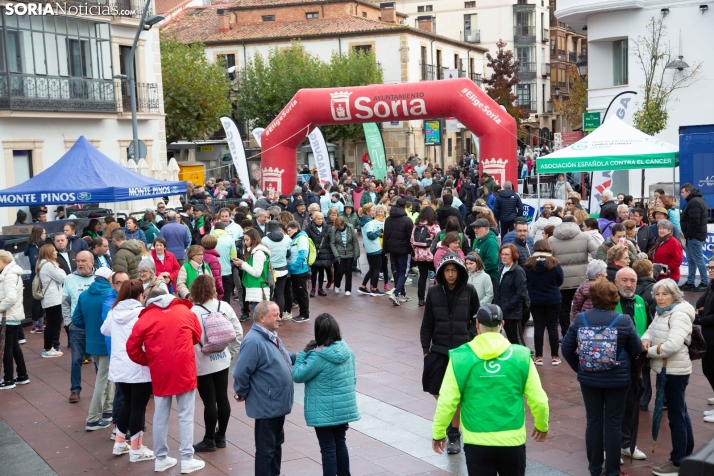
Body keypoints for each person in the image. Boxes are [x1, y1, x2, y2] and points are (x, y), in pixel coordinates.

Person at [431, 303, 549, 475]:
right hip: (512, 439)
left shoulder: (460, 356)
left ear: (477, 324)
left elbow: (447, 401)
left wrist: (438, 432)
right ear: (502, 325)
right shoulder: (521, 355)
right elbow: (538, 399)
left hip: (477, 440)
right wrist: (541, 425)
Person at [561, 278, 643, 476]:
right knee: (614, 423)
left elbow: (565, 348)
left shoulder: (581, 319)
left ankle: (594, 469)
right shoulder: (623, 320)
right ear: (614, 297)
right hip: (618, 379)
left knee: (594, 421)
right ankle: (613, 471)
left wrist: (580, 367)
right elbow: (637, 349)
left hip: (589, 379)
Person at [126, 288, 204, 474]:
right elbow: (196, 336)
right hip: (184, 367)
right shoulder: (185, 311)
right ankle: (187, 458)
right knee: (186, 415)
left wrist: (149, 360)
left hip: (160, 369)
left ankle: (160, 458)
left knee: (160, 415)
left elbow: (132, 348)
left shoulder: (145, 317)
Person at [421, 252, 480, 453]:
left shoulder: (470, 291)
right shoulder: (434, 292)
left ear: (460, 271)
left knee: (456, 396)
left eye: (454, 270)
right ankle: (450, 419)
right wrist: (425, 350)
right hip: (438, 349)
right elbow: (427, 323)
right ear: (441, 272)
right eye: (447, 270)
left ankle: (454, 435)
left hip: (462, 351)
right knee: (435, 389)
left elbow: (476, 319)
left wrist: (469, 335)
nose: (451, 274)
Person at [233, 301, 296, 476]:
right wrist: (242, 392)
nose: (279, 317)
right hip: (267, 404)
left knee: (275, 446)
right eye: (275, 314)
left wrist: (296, 356)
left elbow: (280, 358)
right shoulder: (254, 341)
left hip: (276, 403)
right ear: (261, 318)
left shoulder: (271, 335)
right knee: (266, 450)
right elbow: (241, 372)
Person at [292, 314, 360, 476]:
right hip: (344, 409)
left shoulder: (317, 356)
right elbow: (353, 379)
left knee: (328, 449)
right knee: (340, 444)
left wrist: (303, 354)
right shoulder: (347, 351)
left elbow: (298, 375)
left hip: (323, 412)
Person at [641, 279, 696, 475]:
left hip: (674, 371)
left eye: (665, 294)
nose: (660, 298)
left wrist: (650, 352)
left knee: (676, 417)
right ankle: (687, 455)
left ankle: (678, 462)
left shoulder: (679, 314)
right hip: (666, 369)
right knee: (680, 412)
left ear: (674, 294)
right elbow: (651, 329)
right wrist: (645, 339)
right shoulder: (663, 311)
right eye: (657, 294)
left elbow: (673, 345)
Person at [190, 275, 243, 452]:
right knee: (222, 398)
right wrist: (232, 353)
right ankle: (221, 437)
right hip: (222, 360)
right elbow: (238, 332)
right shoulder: (224, 306)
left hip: (202, 362)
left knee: (209, 402)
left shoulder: (193, 312)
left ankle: (209, 439)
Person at [72, 267, 115, 430]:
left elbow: (76, 319)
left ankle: (107, 411)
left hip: (91, 343)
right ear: (109, 279)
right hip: (107, 343)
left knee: (106, 377)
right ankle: (92, 417)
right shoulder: (110, 295)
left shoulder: (84, 295)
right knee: (102, 380)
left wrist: (90, 328)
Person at [613, 267, 649, 461]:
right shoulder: (611, 301)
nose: (629, 284)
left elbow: (648, 326)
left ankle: (628, 444)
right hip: (617, 363)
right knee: (614, 407)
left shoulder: (641, 301)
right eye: (625, 280)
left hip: (637, 363)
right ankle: (611, 445)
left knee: (632, 406)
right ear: (616, 282)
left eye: (632, 281)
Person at [549, 216, 598, 337]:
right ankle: (582, 333)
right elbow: (597, 252)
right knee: (582, 308)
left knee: (564, 310)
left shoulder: (551, 240)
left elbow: (549, 260)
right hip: (582, 279)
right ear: (575, 223)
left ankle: (566, 334)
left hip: (562, 281)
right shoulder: (585, 236)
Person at [524, 240, 564, 366]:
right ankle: (555, 356)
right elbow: (560, 280)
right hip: (553, 299)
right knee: (552, 327)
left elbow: (527, 281)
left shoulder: (529, 264)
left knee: (538, 327)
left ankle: (539, 356)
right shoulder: (554, 263)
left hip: (535, 299)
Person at [63, 250, 96, 403]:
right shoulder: (69, 279)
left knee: (98, 360)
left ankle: (100, 389)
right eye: (78, 261)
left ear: (92, 262)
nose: (80, 264)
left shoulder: (99, 278)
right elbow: (65, 302)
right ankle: (75, 390)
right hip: (77, 326)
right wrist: (68, 322)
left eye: (84, 261)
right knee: (76, 359)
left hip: (95, 326)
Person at [0, 251, 29, 389]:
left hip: (8, 316)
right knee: (14, 346)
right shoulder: (13, 273)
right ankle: (22, 375)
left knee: (6, 348)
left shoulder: (9, 275)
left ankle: (8, 379)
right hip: (13, 315)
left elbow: (10, 297)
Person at [494, 243, 528, 346]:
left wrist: (507, 307)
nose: (504, 257)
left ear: (513, 255)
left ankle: (527, 360)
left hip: (514, 313)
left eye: (507, 254)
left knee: (518, 341)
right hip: (503, 313)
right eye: (502, 254)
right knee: (511, 340)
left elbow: (521, 294)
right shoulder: (501, 270)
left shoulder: (518, 271)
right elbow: (498, 291)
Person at [38, 244, 67, 358]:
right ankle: (47, 348)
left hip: (52, 298)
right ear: (49, 253)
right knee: (52, 324)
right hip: (53, 299)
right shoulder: (49, 265)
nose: (56, 252)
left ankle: (50, 347)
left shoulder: (45, 265)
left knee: (53, 323)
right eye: (54, 251)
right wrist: (61, 271)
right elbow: (63, 277)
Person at [384, 198, 415, 306]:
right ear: (404, 207)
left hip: (392, 249)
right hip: (404, 250)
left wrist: (385, 250)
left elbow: (386, 236)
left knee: (397, 272)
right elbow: (410, 238)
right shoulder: (407, 220)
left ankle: (402, 293)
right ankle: (396, 293)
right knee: (404, 272)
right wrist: (413, 251)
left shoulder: (388, 219)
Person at [680, 184, 709, 291]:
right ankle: (690, 281)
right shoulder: (695, 201)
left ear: (688, 192)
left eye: (682, 192)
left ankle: (705, 283)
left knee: (697, 259)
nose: (681, 194)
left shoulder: (694, 202)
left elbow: (694, 221)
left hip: (694, 236)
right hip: (692, 236)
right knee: (691, 260)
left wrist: (688, 234)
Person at [695, 262, 714, 421]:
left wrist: (699, 318)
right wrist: (699, 308)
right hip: (708, 336)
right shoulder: (711, 284)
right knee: (708, 369)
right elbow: (701, 301)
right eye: (710, 268)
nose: (710, 271)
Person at [262, 221, 291, 319]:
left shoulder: (264, 239)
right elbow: (288, 254)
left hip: (270, 270)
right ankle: (280, 317)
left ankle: (270, 316)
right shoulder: (287, 238)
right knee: (280, 293)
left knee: (269, 294)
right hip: (283, 269)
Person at [358, 203, 386, 297]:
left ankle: (363, 286)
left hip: (369, 248)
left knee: (372, 269)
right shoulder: (369, 223)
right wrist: (379, 231)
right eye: (372, 210)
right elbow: (371, 236)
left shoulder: (364, 222)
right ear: (367, 212)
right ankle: (374, 289)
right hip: (374, 248)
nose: (374, 212)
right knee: (376, 269)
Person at [329, 216, 360, 296]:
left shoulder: (350, 227)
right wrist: (336, 255)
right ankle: (337, 284)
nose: (339, 228)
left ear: (344, 224)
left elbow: (355, 241)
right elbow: (332, 243)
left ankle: (348, 289)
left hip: (350, 253)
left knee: (348, 271)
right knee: (339, 271)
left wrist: (357, 253)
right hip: (339, 253)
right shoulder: (334, 230)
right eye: (338, 227)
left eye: (341, 226)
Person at [286, 221, 311, 323]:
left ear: (296, 229)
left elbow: (302, 255)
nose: (288, 233)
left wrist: (293, 267)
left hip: (300, 270)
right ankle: (302, 313)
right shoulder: (295, 239)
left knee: (302, 293)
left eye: (289, 230)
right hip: (295, 271)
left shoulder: (301, 239)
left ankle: (305, 314)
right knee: (298, 292)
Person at [24, 226, 46, 334]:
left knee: (40, 300)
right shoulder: (33, 248)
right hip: (36, 277)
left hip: (40, 276)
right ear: (39, 234)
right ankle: (35, 325)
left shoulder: (39, 246)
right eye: (44, 233)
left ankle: (41, 322)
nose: (45, 235)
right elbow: (34, 263)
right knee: (37, 300)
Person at [306, 212, 333, 297]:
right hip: (314, 253)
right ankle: (313, 289)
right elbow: (307, 240)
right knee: (314, 272)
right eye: (318, 219)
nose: (320, 220)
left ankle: (320, 289)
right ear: (314, 219)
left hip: (324, 253)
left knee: (321, 272)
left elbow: (330, 240)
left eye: (321, 219)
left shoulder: (327, 228)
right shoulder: (309, 228)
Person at [650, 219, 683, 284]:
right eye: (660, 228)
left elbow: (677, 260)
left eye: (664, 228)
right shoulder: (658, 241)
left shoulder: (674, 243)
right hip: (658, 276)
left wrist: (665, 270)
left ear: (670, 231)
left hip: (670, 278)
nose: (661, 230)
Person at [470, 218, 499, 285]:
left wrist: (477, 270)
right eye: (474, 228)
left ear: (486, 229)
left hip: (490, 277)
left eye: (478, 228)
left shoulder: (491, 242)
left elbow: (492, 262)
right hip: (478, 274)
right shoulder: (477, 240)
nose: (475, 230)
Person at [200, 234, 225, 302]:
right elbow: (216, 278)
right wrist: (220, 291)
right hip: (212, 290)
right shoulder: (213, 259)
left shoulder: (201, 255)